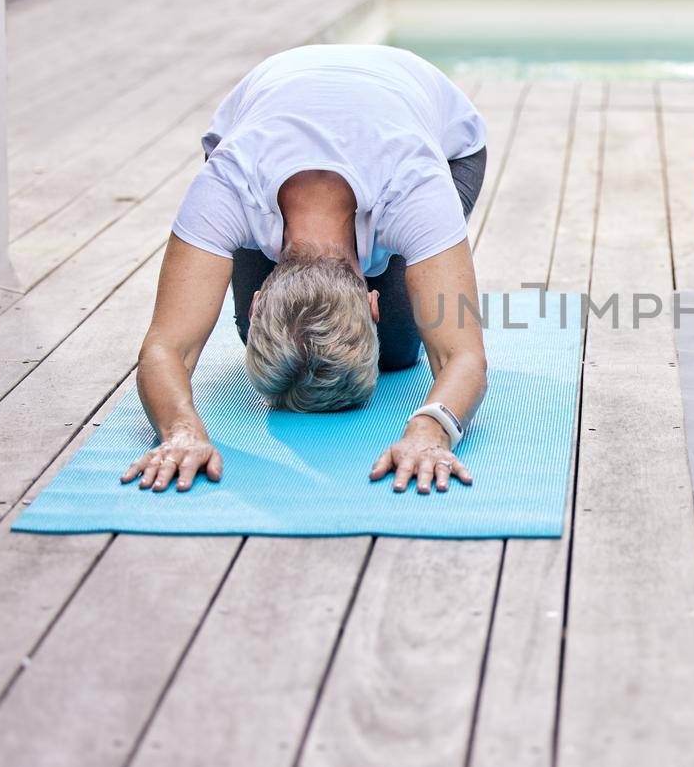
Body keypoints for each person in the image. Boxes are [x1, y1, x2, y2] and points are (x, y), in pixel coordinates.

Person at [124, 45, 489, 497]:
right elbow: (164, 346)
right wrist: (180, 429)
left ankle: (391, 312)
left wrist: (429, 432)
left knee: (394, 346)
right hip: (270, 115)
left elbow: (464, 356)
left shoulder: (416, 190)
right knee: (286, 351)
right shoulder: (228, 185)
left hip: (444, 143)